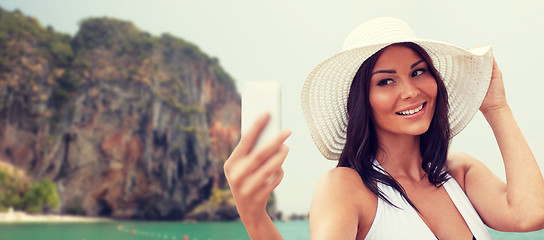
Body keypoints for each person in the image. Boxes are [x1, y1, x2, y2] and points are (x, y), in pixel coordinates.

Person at [223, 17, 544, 239]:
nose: (410, 91)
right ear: (363, 99)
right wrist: (254, 217)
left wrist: (496, 108)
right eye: (386, 80)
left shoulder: (458, 173)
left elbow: (530, 214)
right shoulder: (346, 188)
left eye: (418, 72)